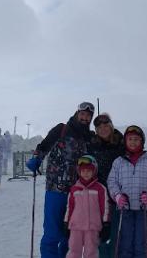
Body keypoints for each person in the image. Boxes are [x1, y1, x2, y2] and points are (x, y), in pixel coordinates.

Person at [26, 102, 94, 258]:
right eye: (82, 114)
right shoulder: (61, 129)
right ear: (77, 113)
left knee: (70, 234)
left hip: (77, 191)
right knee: (52, 232)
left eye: (88, 116)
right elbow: (43, 146)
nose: (85, 118)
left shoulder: (90, 137)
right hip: (55, 189)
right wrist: (36, 159)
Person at [108, 126, 147, 258]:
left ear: (142, 142)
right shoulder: (118, 162)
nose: (133, 142)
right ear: (125, 141)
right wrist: (118, 195)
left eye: (136, 139)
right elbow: (111, 181)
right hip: (124, 209)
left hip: (143, 210)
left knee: (141, 242)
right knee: (125, 242)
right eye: (130, 139)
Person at [87, 112, 125, 258]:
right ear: (96, 130)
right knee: (100, 237)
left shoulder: (122, 143)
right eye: (99, 126)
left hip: (117, 198)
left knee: (116, 236)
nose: (103, 128)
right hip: (99, 199)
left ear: (111, 126)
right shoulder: (93, 145)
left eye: (105, 125)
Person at [64, 155, 110, 258]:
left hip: (92, 226)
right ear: (79, 172)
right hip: (76, 226)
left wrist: (106, 223)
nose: (86, 173)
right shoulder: (74, 189)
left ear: (94, 171)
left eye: (89, 171)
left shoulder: (100, 188)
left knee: (91, 251)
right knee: (74, 250)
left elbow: (105, 207)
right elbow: (69, 207)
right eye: (83, 170)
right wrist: (66, 222)